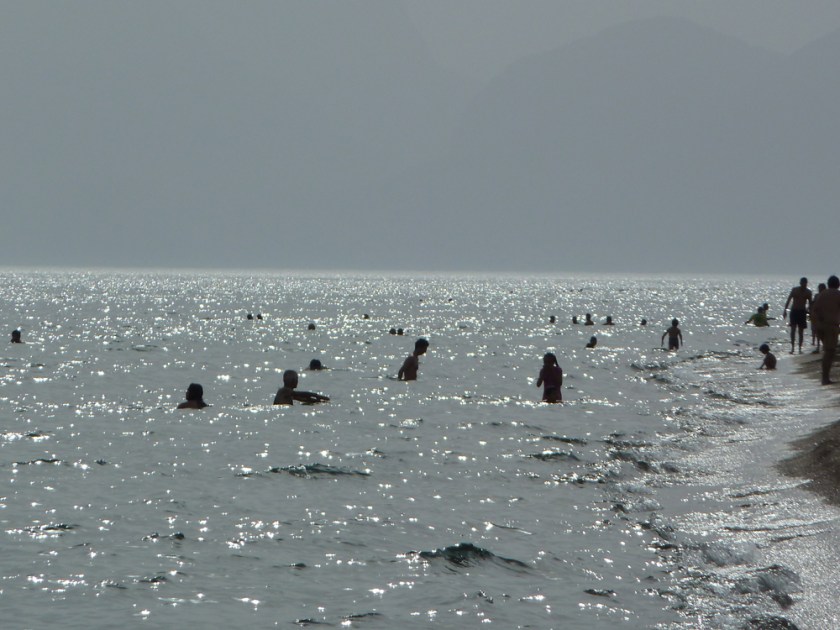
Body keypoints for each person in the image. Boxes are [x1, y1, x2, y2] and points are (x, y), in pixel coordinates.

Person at [810, 275, 840, 385]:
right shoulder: (837, 294)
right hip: (831, 326)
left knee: (828, 351)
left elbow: (814, 311)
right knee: (829, 352)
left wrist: (817, 324)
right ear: (838, 284)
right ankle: (825, 378)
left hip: (821, 326)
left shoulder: (822, 294)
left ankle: (825, 377)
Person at [783, 277, 813, 354]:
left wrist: (809, 312)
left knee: (801, 331)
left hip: (802, 312)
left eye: (805, 284)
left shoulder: (808, 292)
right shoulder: (795, 290)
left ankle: (799, 348)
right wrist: (785, 310)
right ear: (800, 283)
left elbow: (810, 304)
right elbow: (789, 299)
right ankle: (792, 348)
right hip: (794, 311)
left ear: (806, 284)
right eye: (803, 283)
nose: (804, 285)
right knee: (793, 330)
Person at [812, 283, 826, 352]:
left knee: (824, 331)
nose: (820, 290)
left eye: (821, 288)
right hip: (817, 315)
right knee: (817, 331)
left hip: (824, 315)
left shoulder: (826, 296)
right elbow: (814, 305)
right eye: (819, 288)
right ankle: (818, 346)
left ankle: (824, 345)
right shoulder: (816, 295)